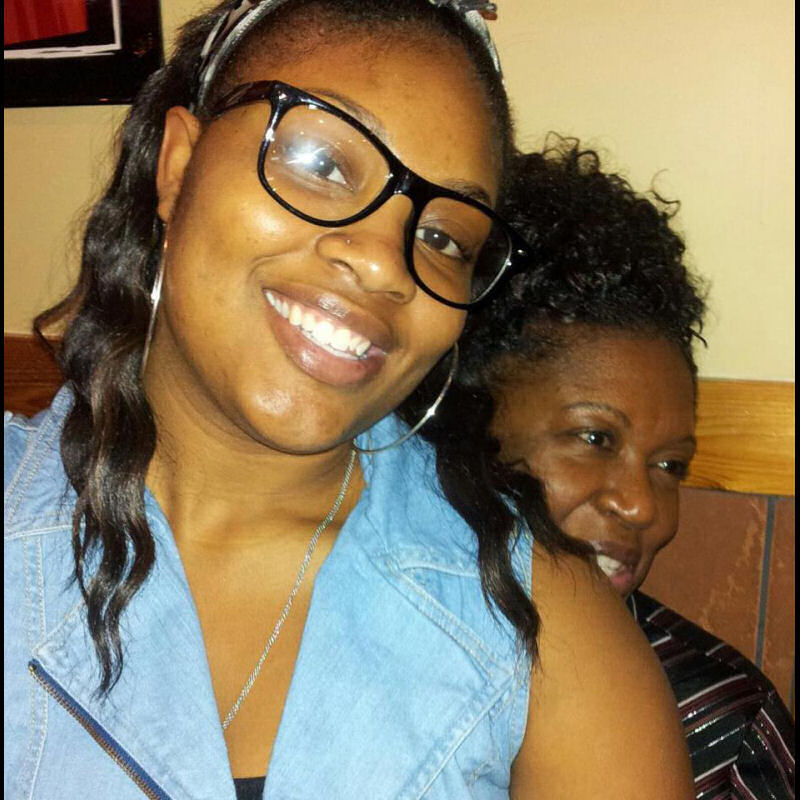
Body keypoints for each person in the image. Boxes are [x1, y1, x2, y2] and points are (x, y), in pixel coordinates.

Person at [4, 2, 693, 798]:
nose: (384, 264)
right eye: (324, 164)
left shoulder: (547, 626)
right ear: (178, 166)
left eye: (442, 237)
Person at [479, 140, 796, 799]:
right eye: (595, 438)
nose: (643, 506)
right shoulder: (350, 640)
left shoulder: (723, 728)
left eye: (669, 465)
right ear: (468, 425)